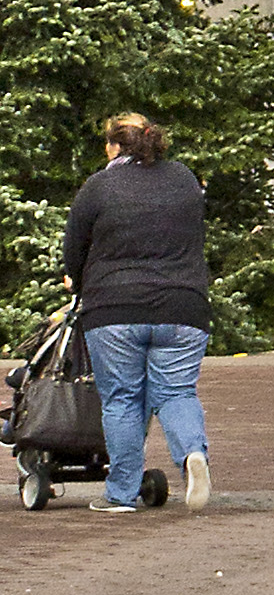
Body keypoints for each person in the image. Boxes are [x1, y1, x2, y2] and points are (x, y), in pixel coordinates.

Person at [59, 112, 213, 514]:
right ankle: (192, 456)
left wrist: (75, 278)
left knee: (122, 399)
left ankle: (122, 493)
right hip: (183, 306)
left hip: (114, 309)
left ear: (114, 146)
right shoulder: (183, 179)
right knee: (177, 391)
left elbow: (74, 245)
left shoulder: (100, 186)